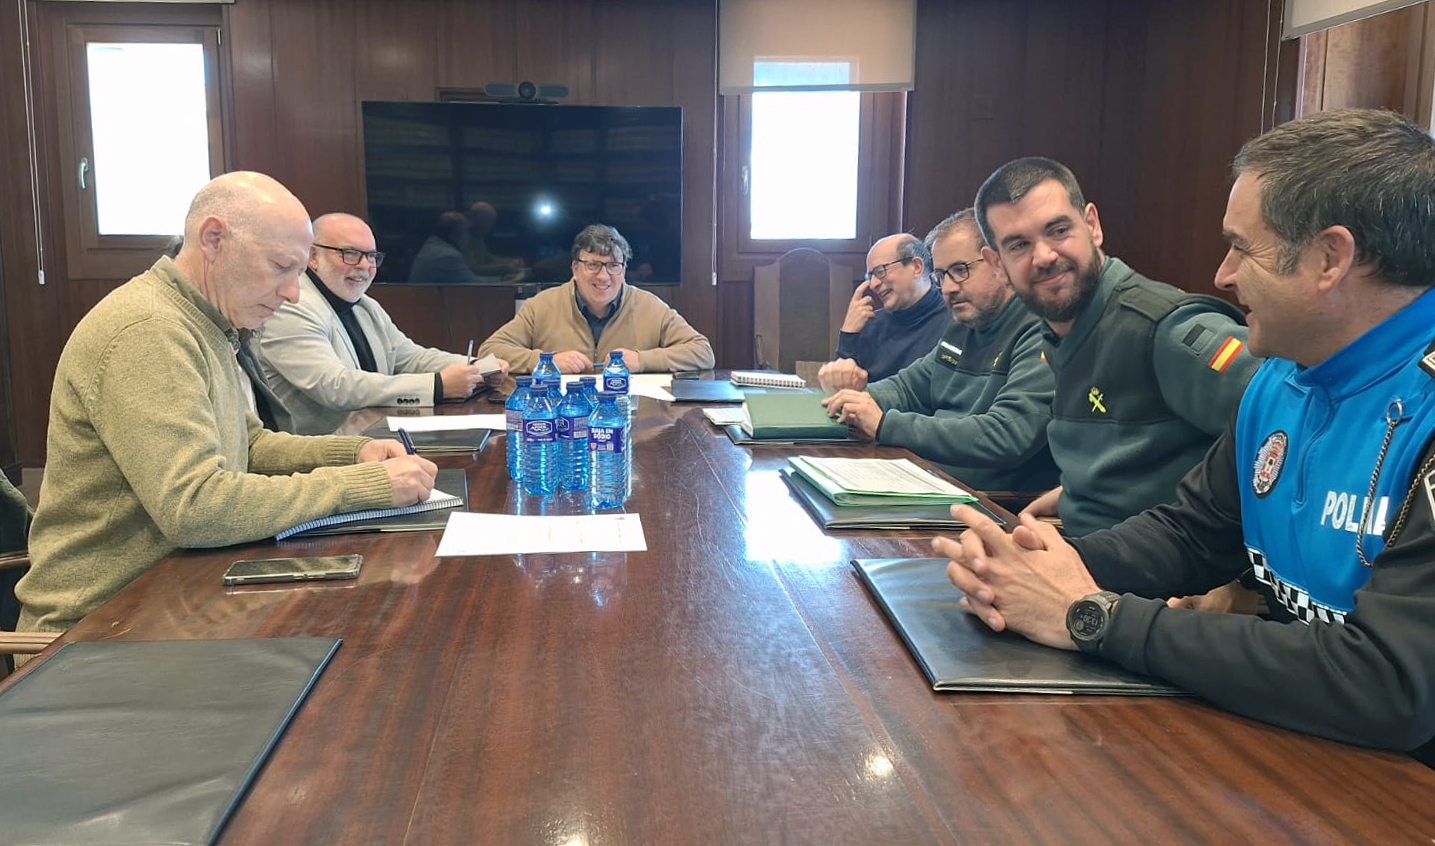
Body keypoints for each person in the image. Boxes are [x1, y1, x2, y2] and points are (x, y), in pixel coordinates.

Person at [940, 109, 1435, 763]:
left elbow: (1391, 685)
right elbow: (1193, 533)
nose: (1223, 275)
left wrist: (1092, 615)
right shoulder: (1281, 375)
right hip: (1302, 745)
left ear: (1328, 258)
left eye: (1242, 247)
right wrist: (1037, 567)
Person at [14, 172, 438, 635]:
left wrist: (354, 453)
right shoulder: (149, 330)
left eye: (298, 273)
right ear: (214, 239)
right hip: (98, 628)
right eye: (280, 267)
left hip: (176, 595)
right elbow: (194, 508)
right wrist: (362, 486)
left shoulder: (205, 320)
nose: (293, 293)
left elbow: (248, 445)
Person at [974, 157, 1258, 537]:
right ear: (996, 263)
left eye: (1058, 230)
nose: (1043, 256)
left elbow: (1298, 421)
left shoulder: (1164, 330)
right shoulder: (1061, 330)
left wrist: (1236, 564)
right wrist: (1076, 493)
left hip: (1156, 567)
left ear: (1092, 225)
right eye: (1020, 245)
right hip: (1085, 550)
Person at [822, 210, 1057, 492]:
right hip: (928, 479)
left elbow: (1007, 435)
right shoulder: (964, 325)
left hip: (991, 501)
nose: (948, 288)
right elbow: (907, 389)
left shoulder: (1043, 330)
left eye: (960, 270)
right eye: (942, 276)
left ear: (1000, 263)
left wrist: (885, 424)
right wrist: (854, 400)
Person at [255, 212, 509, 435]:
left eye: (371, 256)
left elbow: (411, 358)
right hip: (317, 455)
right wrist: (438, 386)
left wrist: (477, 367)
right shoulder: (291, 305)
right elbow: (335, 386)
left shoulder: (365, 305)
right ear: (313, 256)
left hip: (372, 438)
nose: (365, 266)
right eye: (350, 254)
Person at [479, 223, 714, 374]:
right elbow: (489, 352)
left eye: (613, 265)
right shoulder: (541, 305)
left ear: (624, 270)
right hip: (563, 419)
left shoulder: (650, 306)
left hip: (629, 417)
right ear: (575, 269)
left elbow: (702, 352)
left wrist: (641, 360)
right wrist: (546, 362)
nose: (603, 276)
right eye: (593, 265)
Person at [818, 233, 952, 391]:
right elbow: (843, 389)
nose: (873, 284)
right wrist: (849, 334)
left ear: (916, 267)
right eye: (870, 276)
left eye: (880, 271)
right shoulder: (871, 322)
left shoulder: (954, 321)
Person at [409, 211, 483, 285]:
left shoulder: (432, 246)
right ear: (457, 233)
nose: (469, 236)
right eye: (467, 231)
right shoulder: (448, 257)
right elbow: (477, 287)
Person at [463, 201, 525, 279]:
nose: (490, 226)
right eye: (488, 221)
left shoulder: (478, 236)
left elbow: (487, 257)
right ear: (477, 219)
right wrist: (506, 268)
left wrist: (512, 261)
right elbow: (474, 269)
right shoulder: (464, 237)